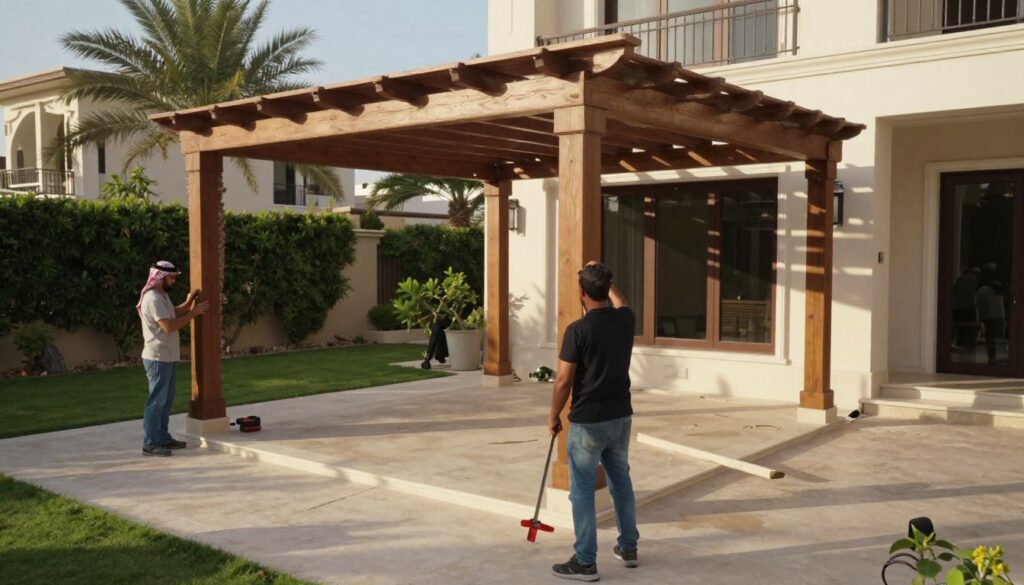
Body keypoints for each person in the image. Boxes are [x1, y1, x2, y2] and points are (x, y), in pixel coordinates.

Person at [548, 261, 639, 582]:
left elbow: (562, 381)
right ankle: (628, 548)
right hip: (621, 418)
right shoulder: (625, 320)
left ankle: (585, 561)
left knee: (583, 491)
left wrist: (553, 416)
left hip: (588, 423)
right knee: (621, 482)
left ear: (581, 293)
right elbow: (622, 302)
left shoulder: (578, 330)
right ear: (606, 289)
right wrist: (605, 277)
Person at [137, 261, 208, 457]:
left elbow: (173, 313)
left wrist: (187, 304)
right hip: (157, 357)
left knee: (166, 400)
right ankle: (150, 443)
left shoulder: (162, 296)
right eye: (171, 277)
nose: (174, 280)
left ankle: (162, 437)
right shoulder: (152, 298)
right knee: (156, 401)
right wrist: (193, 313)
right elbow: (168, 326)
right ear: (159, 277)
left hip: (167, 356)